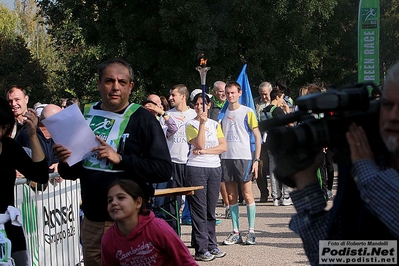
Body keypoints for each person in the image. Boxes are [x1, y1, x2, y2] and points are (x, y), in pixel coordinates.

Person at [53, 58, 172, 266]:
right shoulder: (85, 117)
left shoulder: (143, 119)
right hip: (92, 221)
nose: (115, 87)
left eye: (122, 82)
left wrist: (121, 159)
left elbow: (162, 170)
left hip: (130, 225)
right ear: (99, 84)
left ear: (130, 86)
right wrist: (64, 161)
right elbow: (71, 173)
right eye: (109, 81)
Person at [286, 61, 399, 265]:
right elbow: (330, 256)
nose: (393, 116)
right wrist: (306, 183)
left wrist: (364, 168)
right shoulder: (365, 156)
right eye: (388, 105)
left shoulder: (365, 166)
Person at [102, 179, 198, 266]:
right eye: (110, 200)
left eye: (121, 197)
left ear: (138, 203)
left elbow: (186, 261)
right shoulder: (109, 238)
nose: (114, 203)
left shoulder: (157, 228)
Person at [0, 96, 48, 266]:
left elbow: (40, 175)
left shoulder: (9, 146)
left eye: (4, 127)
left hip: (11, 232)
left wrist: (33, 135)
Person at [185, 93, 227, 261]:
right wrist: (202, 124)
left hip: (214, 168)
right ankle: (201, 249)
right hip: (196, 169)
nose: (199, 106)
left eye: (203, 103)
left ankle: (211, 244)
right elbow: (199, 143)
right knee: (199, 210)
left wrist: (206, 151)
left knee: (211, 209)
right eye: (197, 103)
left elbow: (223, 147)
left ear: (209, 106)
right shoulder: (190, 124)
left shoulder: (216, 124)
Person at [221, 81, 261, 245]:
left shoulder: (247, 111)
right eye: (227, 93)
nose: (230, 96)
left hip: (243, 157)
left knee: (247, 194)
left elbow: (258, 136)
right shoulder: (222, 113)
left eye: (233, 93)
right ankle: (235, 231)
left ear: (239, 93)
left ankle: (251, 231)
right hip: (226, 158)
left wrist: (256, 159)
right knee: (231, 196)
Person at [164, 84, 197, 231]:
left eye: (173, 95)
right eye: (170, 95)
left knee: (195, 202)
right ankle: (174, 237)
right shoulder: (167, 114)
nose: (170, 98)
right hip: (173, 161)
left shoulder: (195, 114)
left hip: (191, 162)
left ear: (183, 96)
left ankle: (198, 241)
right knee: (172, 203)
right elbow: (164, 135)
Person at [264, 89, 293, 206]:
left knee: (272, 170)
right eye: (282, 98)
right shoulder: (277, 110)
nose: (283, 100)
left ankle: (276, 197)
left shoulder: (263, 110)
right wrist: (288, 111)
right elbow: (290, 124)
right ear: (276, 97)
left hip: (269, 141)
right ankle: (286, 196)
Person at [253, 81, 273, 202]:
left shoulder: (277, 102)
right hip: (260, 140)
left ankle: (279, 194)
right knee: (260, 167)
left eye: (265, 94)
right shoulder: (255, 103)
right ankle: (263, 192)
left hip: (274, 139)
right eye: (261, 94)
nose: (263, 97)